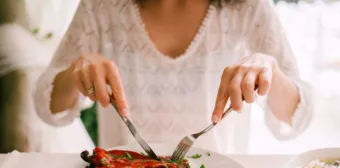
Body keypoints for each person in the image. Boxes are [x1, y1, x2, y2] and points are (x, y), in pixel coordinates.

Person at [34, 0, 313, 154]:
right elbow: (48, 109)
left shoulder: (248, 8)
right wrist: (76, 72)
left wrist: (270, 70)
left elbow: (297, 118)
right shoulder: (101, 7)